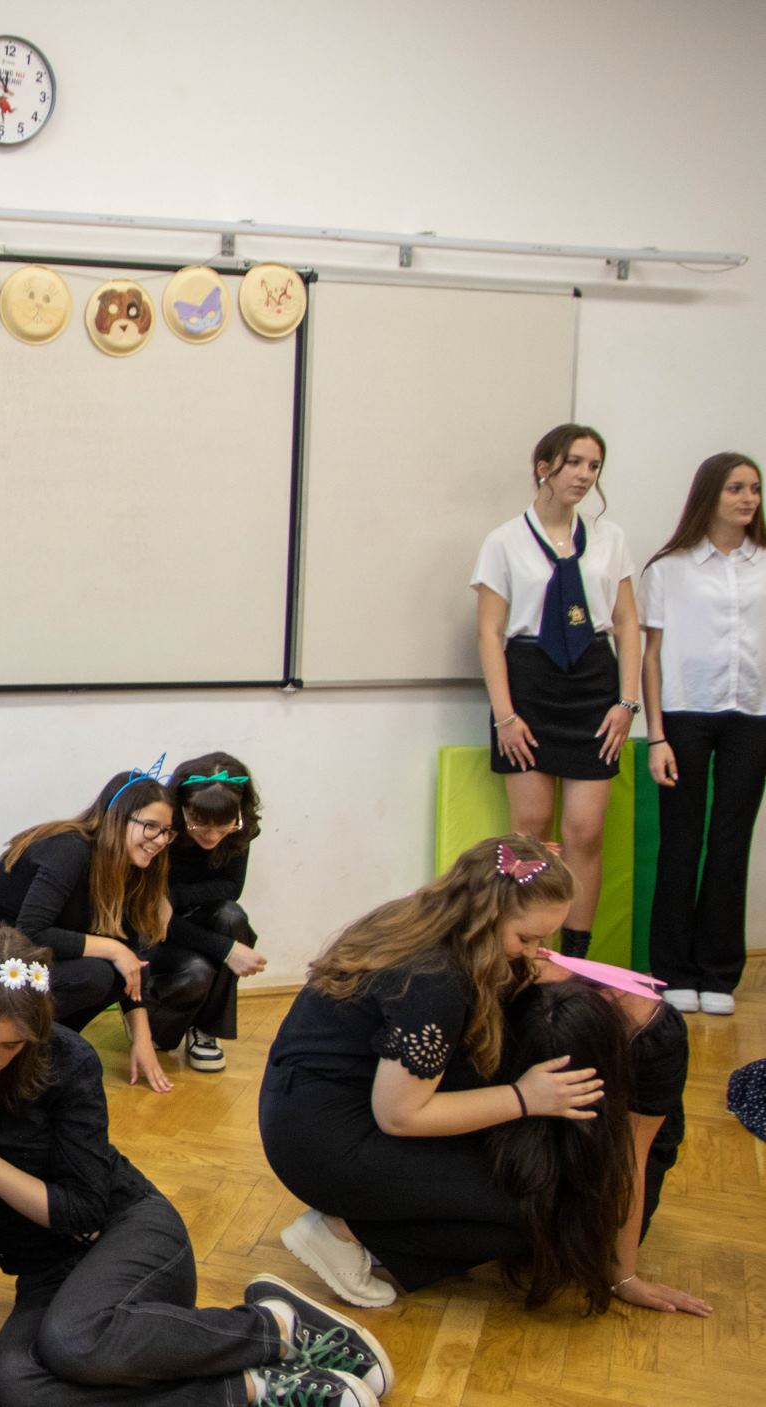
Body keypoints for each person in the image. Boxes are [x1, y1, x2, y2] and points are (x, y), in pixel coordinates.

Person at [0, 924, 392, 1407]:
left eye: (11, 1045)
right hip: (49, 1272)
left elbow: (82, 1211)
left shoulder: (69, 1061)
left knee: (75, 1342)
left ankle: (275, 1327)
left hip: (131, 1233)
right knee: (12, 1384)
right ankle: (252, 1389)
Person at [260, 835, 601, 1307]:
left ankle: (373, 1224)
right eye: (526, 939)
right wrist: (526, 1098)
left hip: (302, 1105)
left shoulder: (421, 918)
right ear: (486, 915)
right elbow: (400, 1116)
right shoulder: (434, 980)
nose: (532, 952)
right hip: (326, 1143)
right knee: (534, 1207)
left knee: (506, 1173)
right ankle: (345, 1232)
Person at [471, 423, 642, 958]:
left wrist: (627, 702)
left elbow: (627, 623)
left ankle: (574, 958)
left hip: (593, 682)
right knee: (530, 832)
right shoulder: (504, 541)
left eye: (594, 466)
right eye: (574, 463)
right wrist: (505, 715)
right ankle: (524, 951)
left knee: (585, 832)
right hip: (528, 682)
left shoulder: (610, 538)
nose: (584, 475)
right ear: (544, 466)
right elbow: (489, 633)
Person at [0, 765, 179, 1091]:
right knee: (98, 973)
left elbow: (133, 960)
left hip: (27, 957)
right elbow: (32, 932)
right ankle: (27, 1053)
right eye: (151, 827)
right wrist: (114, 949)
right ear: (117, 817)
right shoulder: (69, 848)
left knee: (121, 970)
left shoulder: (130, 867)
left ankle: (44, 1050)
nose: (161, 840)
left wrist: (142, 1039)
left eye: (167, 831)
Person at [493, 976, 708, 1317]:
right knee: (527, 1230)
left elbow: (632, 1159)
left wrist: (625, 1277)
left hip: (625, 1121)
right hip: (530, 1109)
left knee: (595, 1243)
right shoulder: (515, 990)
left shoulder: (653, 1034)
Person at [639, 450, 766, 1014]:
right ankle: (672, 970)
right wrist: (656, 735)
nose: (748, 499)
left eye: (754, 489)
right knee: (681, 841)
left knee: (731, 844)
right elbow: (652, 656)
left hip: (753, 717)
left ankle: (718, 973)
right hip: (685, 715)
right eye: (736, 488)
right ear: (709, 495)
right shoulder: (670, 568)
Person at [149, 753, 268, 1073]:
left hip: (192, 919)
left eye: (224, 825)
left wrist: (171, 896)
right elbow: (153, 919)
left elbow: (231, 888)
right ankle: (155, 1022)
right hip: (154, 933)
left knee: (232, 917)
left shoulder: (239, 829)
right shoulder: (159, 830)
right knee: (196, 970)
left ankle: (206, 1030)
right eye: (200, 824)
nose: (213, 835)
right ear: (181, 808)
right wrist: (226, 949)